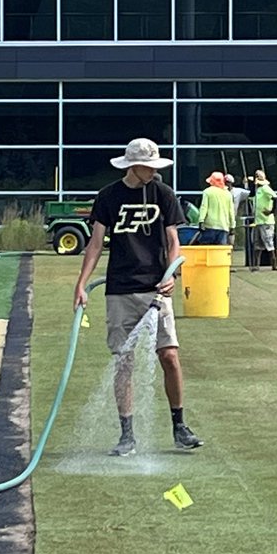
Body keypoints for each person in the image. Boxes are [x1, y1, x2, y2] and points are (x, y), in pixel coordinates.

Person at [74, 137, 203, 456]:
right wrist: (81, 283)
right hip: (120, 289)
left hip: (156, 290)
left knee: (170, 356)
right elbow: (95, 243)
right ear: (134, 166)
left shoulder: (163, 193)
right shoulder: (108, 197)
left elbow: (174, 240)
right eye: (149, 166)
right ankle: (127, 434)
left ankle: (179, 426)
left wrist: (171, 273)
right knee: (124, 362)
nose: (154, 171)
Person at [251, 169, 277, 271]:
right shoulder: (258, 190)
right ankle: (256, 265)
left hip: (266, 221)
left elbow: (276, 198)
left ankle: (274, 265)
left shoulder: (265, 188)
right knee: (257, 243)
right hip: (258, 221)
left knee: (268, 242)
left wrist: (272, 211)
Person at [196, 170, 235, 245]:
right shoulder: (228, 194)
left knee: (206, 248)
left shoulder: (207, 192)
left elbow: (204, 207)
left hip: (209, 226)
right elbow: (231, 211)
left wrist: (201, 221)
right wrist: (232, 226)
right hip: (223, 227)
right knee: (220, 251)